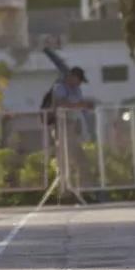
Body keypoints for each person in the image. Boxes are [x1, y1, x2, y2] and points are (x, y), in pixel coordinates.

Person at [43, 46, 95, 194]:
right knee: (68, 161)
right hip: (62, 127)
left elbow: (79, 108)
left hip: (74, 128)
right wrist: (79, 105)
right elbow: (60, 104)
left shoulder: (76, 90)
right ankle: (67, 191)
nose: (79, 84)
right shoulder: (60, 87)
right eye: (78, 80)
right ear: (72, 77)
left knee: (79, 160)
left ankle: (81, 190)